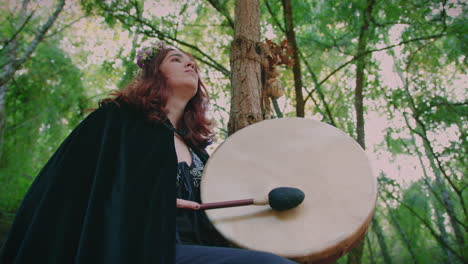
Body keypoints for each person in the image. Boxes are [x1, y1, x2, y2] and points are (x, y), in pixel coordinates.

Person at [0, 41, 296, 264]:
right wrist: (156, 201)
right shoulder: (118, 121)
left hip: (194, 251)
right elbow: (76, 191)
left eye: (192, 61)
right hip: (143, 250)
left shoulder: (199, 153)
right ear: (154, 73)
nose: (190, 64)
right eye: (177, 59)